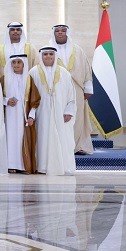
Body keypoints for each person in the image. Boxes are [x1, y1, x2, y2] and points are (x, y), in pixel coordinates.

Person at [28, 46, 77, 175]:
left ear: (55, 56)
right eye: (45, 54)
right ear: (41, 56)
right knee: (42, 137)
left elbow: (71, 94)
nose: (48, 56)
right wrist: (32, 113)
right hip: (41, 112)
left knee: (62, 137)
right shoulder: (33, 72)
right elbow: (30, 95)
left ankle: (64, 166)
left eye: (51, 54)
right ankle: (42, 166)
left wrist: (69, 111)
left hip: (60, 112)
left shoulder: (64, 73)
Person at [50, 24, 94, 154]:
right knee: (58, 116)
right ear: (54, 33)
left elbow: (86, 69)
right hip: (56, 89)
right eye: (57, 31)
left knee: (77, 117)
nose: (60, 33)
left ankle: (77, 146)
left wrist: (88, 89)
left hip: (77, 89)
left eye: (63, 31)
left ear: (67, 33)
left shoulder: (78, 50)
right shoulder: (48, 50)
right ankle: (59, 147)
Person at [1, 54, 39, 174]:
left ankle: (23, 165)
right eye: (14, 62)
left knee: (23, 138)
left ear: (23, 64)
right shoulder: (4, 78)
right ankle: (9, 165)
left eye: (19, 62)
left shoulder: (29, 79)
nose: (16, 65)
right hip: (9, 116)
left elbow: (35, 100)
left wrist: (31, 116)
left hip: (23, 117)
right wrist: (6, 101)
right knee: (9, 138)